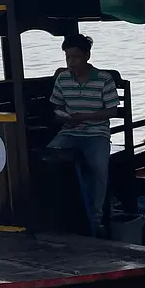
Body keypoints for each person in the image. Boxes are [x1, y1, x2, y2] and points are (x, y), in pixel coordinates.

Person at [47, 33, 119, 236]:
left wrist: (87, 116)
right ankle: (59, 215)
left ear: (87, 56)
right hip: (70, 131)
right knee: (48, 157)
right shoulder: (63, 79)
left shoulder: (103, 79)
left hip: (97, 134)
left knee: (98, 169)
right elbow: (56, 108)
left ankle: (95, 220)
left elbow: (112, 111)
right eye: (68, 57)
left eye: (75, 57)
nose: (71, 62)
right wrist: (65, 118)